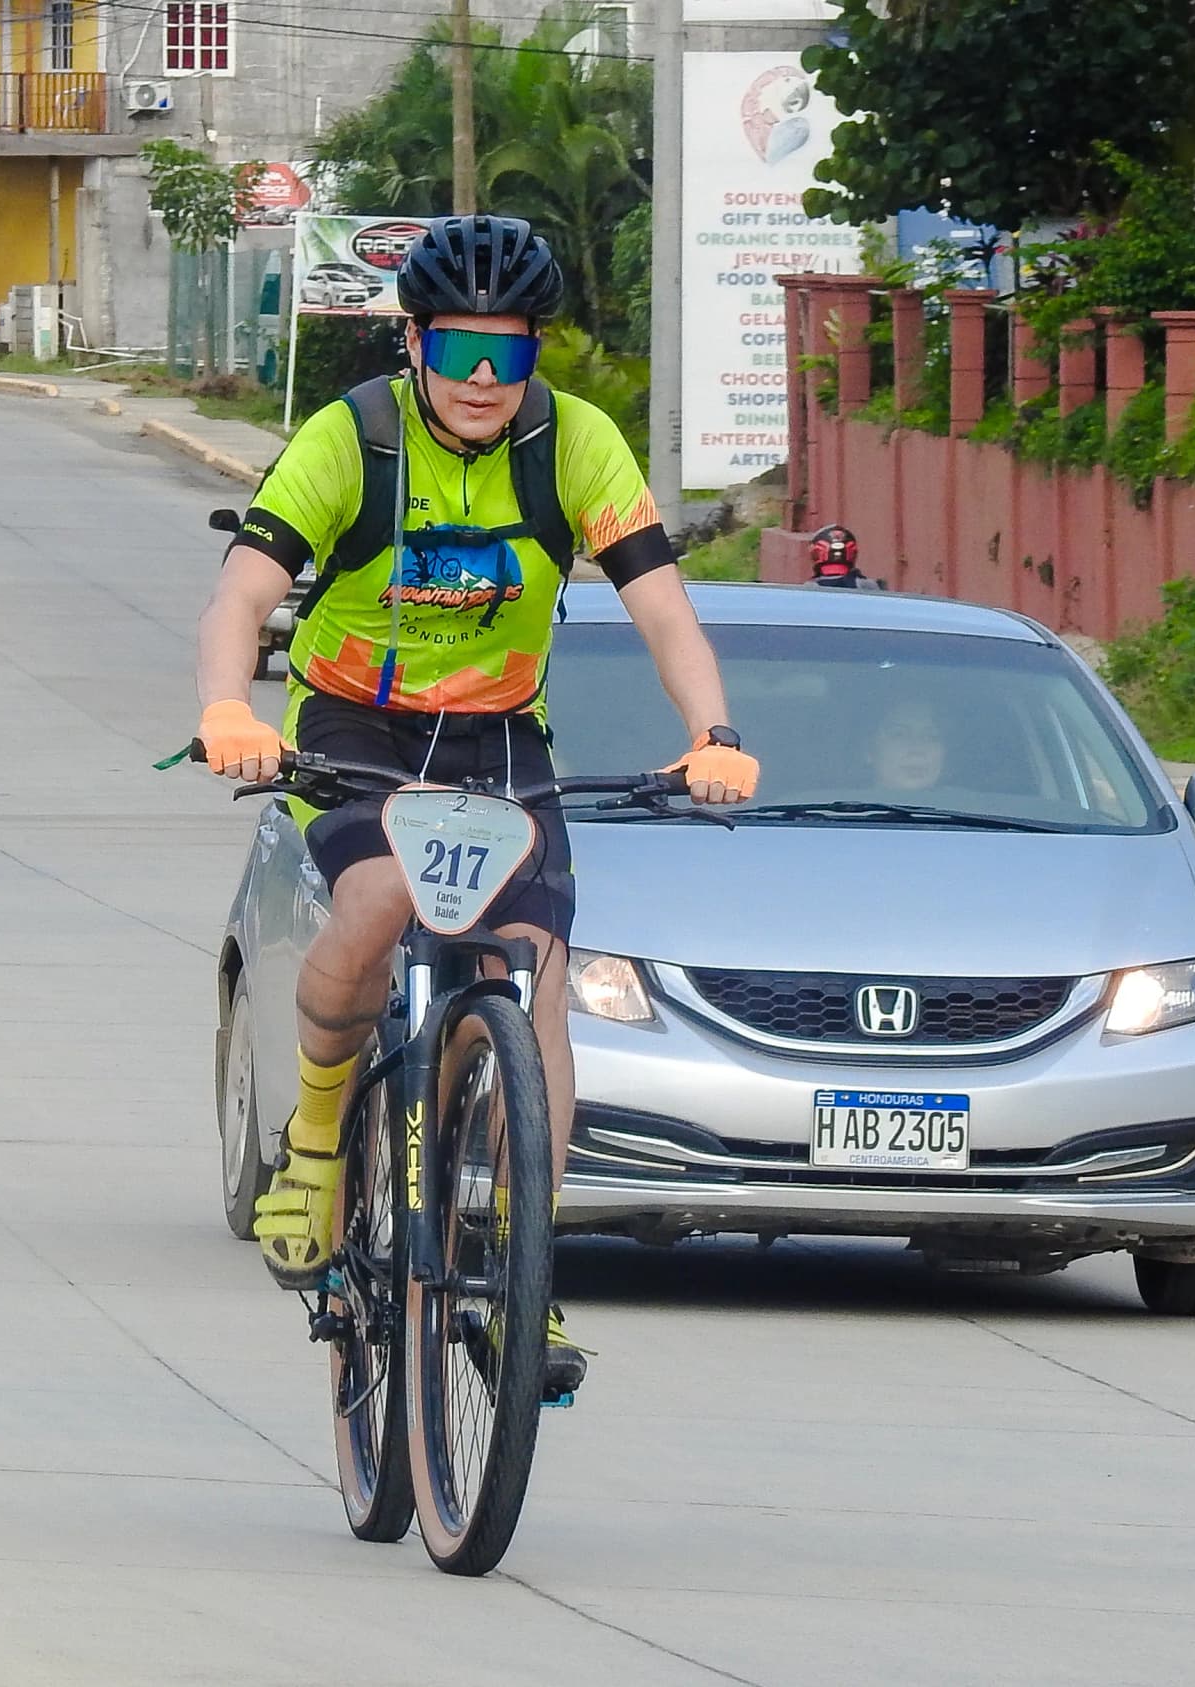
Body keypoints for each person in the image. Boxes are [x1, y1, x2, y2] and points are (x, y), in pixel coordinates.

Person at [192, 215, 758, 1397]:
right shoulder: (351, 439)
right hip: (355, 722)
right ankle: (312, 1139)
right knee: (383, 896)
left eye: (511, 354)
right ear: (413, 345)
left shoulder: (576, 441)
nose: (487, 383)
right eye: (461, 354)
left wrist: (713, 733)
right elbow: (242, 595)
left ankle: (524, 1261)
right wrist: (229, 712)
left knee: (537, 963)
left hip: (499, 734)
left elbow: (662, 608)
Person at [870, 696, 949, 793]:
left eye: (930, 736)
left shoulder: (967, 804)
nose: (917, 749)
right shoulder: (849, 805)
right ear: (869, 749)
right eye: (899, 734)